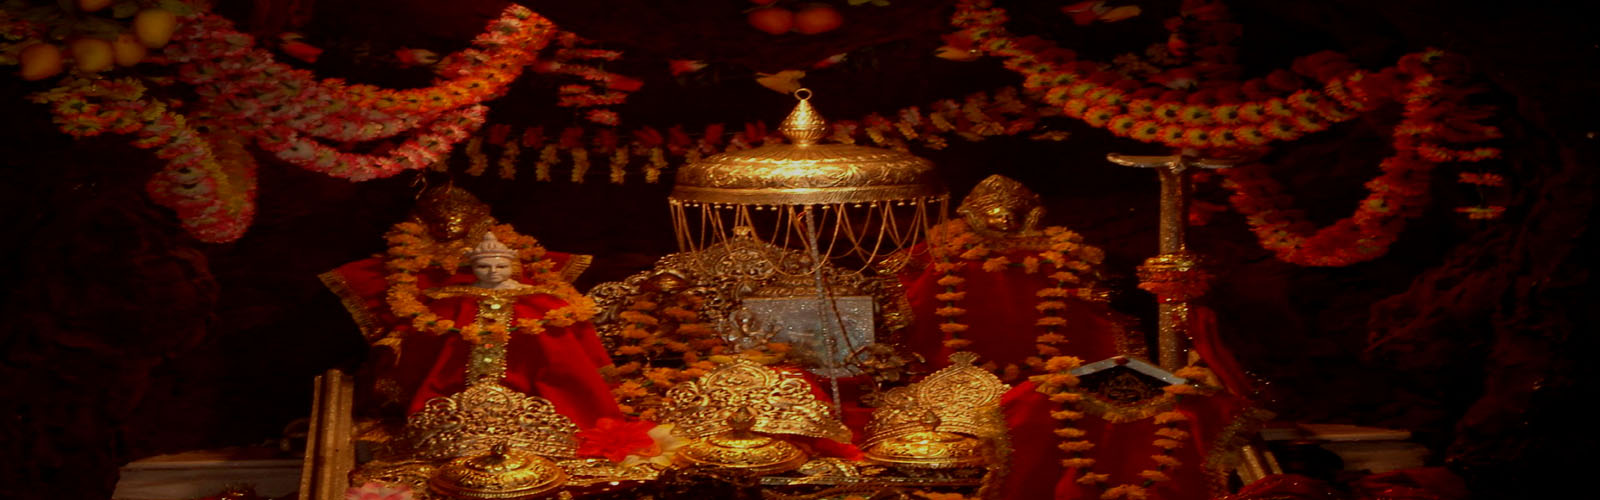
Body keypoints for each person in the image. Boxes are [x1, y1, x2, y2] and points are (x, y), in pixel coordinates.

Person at [321, 186, 619, 428]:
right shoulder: (447, 301)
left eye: (500, 266)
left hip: (539, 403)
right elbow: (418, 339)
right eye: (484, 266)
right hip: (450, 405)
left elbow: (573, 350)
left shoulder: (541, 301)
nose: (492, 272)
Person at [897, 175, 1144, 378]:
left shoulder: (1057, 252)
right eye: (997, 215)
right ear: (976, 216)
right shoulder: (950, 247)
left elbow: (1092, 279)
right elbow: (905, 268)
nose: (1005, 221)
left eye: (1011, 215)